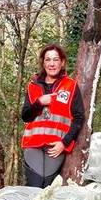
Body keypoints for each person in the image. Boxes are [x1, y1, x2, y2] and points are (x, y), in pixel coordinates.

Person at [21, 44, 84, 187]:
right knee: (35, 185)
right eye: (48, 60)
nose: (51, 64)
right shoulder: (33, 86)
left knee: (47, 186)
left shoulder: (71, 86)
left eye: (55, 60)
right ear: (43, 62)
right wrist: (39, 102)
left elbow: (79, 118)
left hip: (55, 147)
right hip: (33, 145)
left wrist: (64, 143)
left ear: (62, 62)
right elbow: (25, 116)